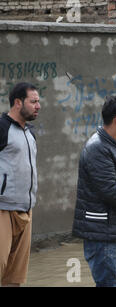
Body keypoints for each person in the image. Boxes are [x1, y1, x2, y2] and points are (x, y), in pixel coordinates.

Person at [72, 96, 116, 287]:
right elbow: (109, 190)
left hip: (112, 230)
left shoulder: (110, 145)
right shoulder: (98, 148)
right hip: (103, 233)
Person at [0, 82, 40, 287]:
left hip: (26, 209)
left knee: (15, 278)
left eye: (38, 101)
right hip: (3, 209)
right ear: (17, 103)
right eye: (33, 101)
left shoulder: (30, 132)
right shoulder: (2, 127)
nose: (38, 106)